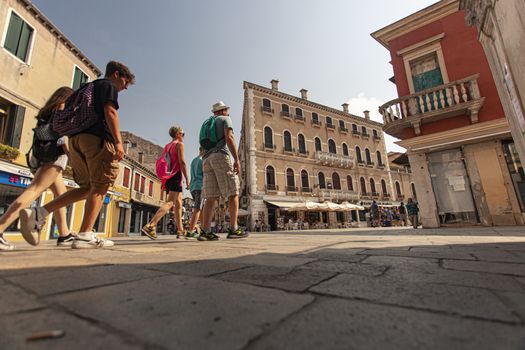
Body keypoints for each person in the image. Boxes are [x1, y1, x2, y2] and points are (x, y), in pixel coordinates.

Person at [19, 61, 135, 249]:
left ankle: (39, 213)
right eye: (125, 81)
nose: (125, 87)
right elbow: (110, 111)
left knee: (87, 188)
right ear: (115, 74)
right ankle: (85, 235)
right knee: (100, 186)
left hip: (75, 140)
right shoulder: (107, 85)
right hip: (95, 139)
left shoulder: (84, 88)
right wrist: (119, 142)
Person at [0, 87, 75, 251]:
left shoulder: (48, 111)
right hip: (54, 156)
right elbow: (63, 137)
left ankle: (64, 234)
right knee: (34, 190)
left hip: (39, 154)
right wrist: (73, 156)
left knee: (61, 195)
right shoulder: (63, 107)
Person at [198, 101, 248, 240]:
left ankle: (205, 231)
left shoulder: (206, 123)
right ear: (223, 110)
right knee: (233, 191)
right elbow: (229, 137)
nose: (228, 112)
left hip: (206, 159)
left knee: (211, 197)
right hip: (220, 155)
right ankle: (233, 229)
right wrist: (236, 159)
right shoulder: (225, 119)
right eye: (226, 109)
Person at [142, 125, 189, 239]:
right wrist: (187, 179)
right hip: (175, 176)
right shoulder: (179, 144)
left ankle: (180, 230)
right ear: (178, 134)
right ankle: (150, 225)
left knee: (178, 203)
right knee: (170, 203)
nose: (183, 136)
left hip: (168, 176)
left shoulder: (167, 146)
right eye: (183, 134)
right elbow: (182, 162)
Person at [186, 147, 204, 238]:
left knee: (200, 209)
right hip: (200, 186)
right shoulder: (203, 160)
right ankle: (191, 230)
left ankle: (203, 230)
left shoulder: (194, 160)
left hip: (193, 187)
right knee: (197, 209)